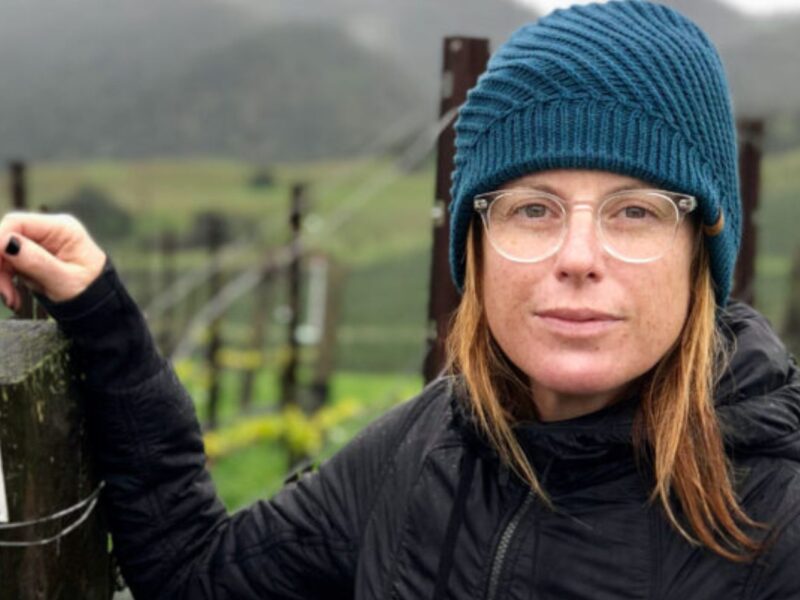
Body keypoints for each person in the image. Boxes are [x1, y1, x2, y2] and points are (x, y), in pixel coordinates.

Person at [1, 1, 799, 598]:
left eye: (636, 211)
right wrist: (102, 315)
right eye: (531, 209)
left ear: (702, 247)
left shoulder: (781, 516)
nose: (578, 258)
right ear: (475, 248)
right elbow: (197, 573)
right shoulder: (423, 453)